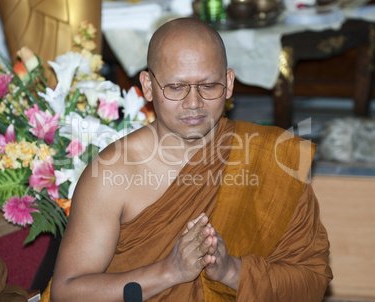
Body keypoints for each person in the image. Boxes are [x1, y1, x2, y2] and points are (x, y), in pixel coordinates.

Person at [50, 17, 332, 301]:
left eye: (209, 85)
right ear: (147, 86)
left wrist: (230, 270)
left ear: (229, 83)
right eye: (175, 87)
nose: (194, 103)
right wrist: (169, 271)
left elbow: (310, 281)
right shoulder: (111, 174)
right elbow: (69, 292)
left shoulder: (274, 158)